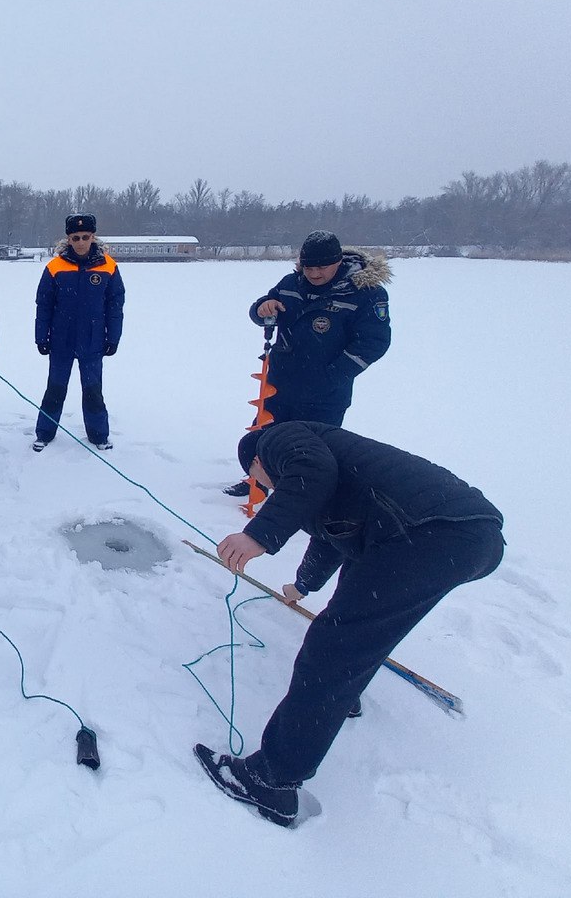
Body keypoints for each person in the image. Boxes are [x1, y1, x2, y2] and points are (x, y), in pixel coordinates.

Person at [197, 421, 505, 827]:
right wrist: (303, 585)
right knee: (356, 629)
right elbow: (330, 535)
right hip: (461, 538)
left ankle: (271, 779)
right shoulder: (320, 480)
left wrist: (259, 535)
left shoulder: (278, 439)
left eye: (256, 480)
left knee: (334, 646)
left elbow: (312, 472)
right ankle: (336, 698)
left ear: (255, 461)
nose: (263, 488)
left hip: (433, 531)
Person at [226, 230, 391, 496]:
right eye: (308, 266)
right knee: (266, 433)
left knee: (312, 446)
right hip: (280, 381)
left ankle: (304, 495)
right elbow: (261, 311)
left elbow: (374, 342)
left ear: (338, 261)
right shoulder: (291, 283)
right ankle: (257, 482)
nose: (314, 273)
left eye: (322, 267)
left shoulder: (365, 293)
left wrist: (332, 375)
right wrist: (262, 308)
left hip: (326, 390)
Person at [32, 213, 125, 451]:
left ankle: (98, 435)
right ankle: (44, 432)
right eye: (76, 237)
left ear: (93, 237)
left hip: (93, 341)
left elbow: (115, 306)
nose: (81, 242)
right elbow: (43, 305)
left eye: (85, 237)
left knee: (93, 390)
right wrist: (41, 337)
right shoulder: (55, 267)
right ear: (68, 239)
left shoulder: (108, 266)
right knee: (55, 388)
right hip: (61, 340)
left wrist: (113, 338)